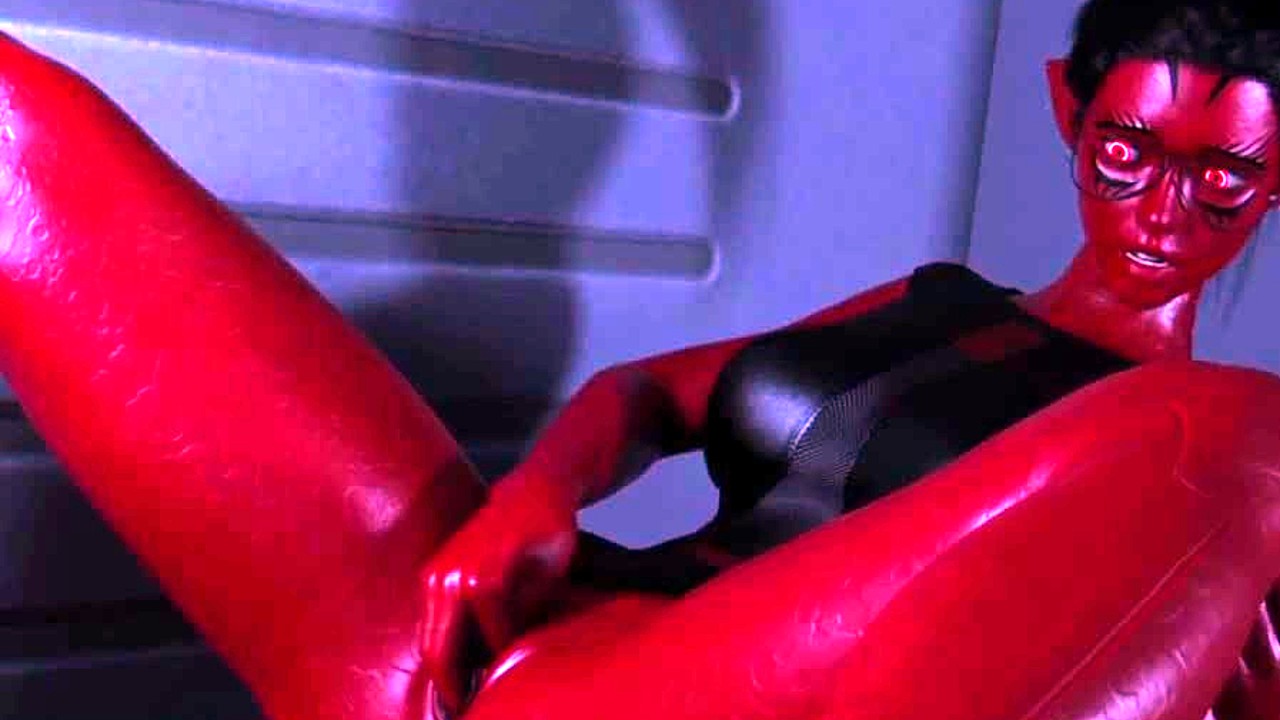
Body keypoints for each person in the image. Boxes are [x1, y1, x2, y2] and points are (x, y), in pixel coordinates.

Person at [0, 1, 1277, 719]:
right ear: (1065, 108)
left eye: (1220, 177)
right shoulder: (934, 299)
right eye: (1126, 154)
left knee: (1232, 434)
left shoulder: (1201, 460)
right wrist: (533, 498)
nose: (1162, 212)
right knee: (26, 132)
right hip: (485, 650)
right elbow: (647, 393)